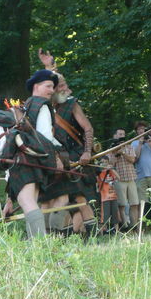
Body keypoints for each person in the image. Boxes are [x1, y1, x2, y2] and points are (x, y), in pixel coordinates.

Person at [37, 51, 96, 235]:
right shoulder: (45, 107)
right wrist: (48, 66)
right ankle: (67, 235)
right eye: (60, 87)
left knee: (79, 197)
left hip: (77, 156)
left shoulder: (71, 104)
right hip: (58, 158)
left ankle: (92, 236)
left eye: (65, 86)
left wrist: (87, 152)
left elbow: (88, 129)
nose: (65, 89)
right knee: (62, 198)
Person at [0, 69, 61, 238]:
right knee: (31, 204)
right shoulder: (38, 105)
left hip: (26, 160)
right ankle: (36, 245)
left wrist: (59, 155)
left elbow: (44, 138)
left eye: (53, 87)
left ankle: (39, 246)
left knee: (28, 204)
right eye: (48, 86)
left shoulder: (31, 105)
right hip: (32, 161)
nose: (52, 90)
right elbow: (46, 137)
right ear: (36, 86)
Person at [109, 138, 140, 229]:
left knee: (134, 203)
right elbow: (110, 164)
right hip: (119, 180)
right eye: (119, 143)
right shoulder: (112, 151)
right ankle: (125, 225)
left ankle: (134, 225)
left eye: (123, 143)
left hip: (131, 178)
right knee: (121, 204)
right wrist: (116, 154)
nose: (122, 145)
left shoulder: (129, 148)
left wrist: (123, 153)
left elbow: (132, 160)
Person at [96, 157, 120, 232]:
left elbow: (119, 178)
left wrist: (112, 169)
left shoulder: (111, 172)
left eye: (106, 162)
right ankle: (103, 232)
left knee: (115, 215)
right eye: (102, 162)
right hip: (104, 197)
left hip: (113, 196)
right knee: (105, 216)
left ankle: (117, 231)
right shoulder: (99, 173)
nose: (104, 164)